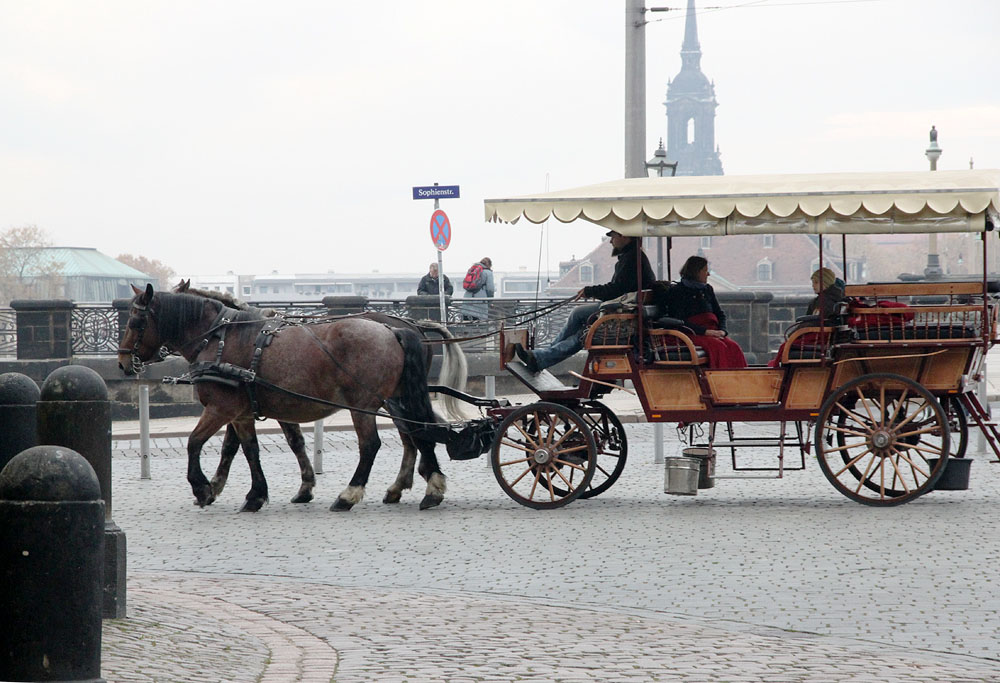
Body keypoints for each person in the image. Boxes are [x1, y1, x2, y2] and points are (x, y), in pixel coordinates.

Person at [514, 230, 655, 373]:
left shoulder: (631, 258)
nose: (611, 241)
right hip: (624, 308)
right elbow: (619, 288)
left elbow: (616, 289)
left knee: (580, 321)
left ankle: (541, 357)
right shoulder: (633, 256)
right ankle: (541, 356)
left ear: (624, 235)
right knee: (581, 326)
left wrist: (590, 291)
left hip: (623, 312)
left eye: (612, 237)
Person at [653, 255, 746, 369]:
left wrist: (722, 330)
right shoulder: (677, 291)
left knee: (733, 347)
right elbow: (679, 321)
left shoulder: (707, 289)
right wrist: (705, 331)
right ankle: (719, 380)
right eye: (705, 271)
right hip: (691, 333)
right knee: (718, 347)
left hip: (712, 331)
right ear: (696, 272)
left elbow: (719, 313)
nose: (708, 274)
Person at [767, 267, 847, 367]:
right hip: (819, 335)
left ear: (825, 283)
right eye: (813, 283)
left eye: (816, 283)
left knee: (785, 347)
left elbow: (816, 320)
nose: (813, 286)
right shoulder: (830, 299)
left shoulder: (825, 301)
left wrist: (795, 332)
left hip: (818, 336)